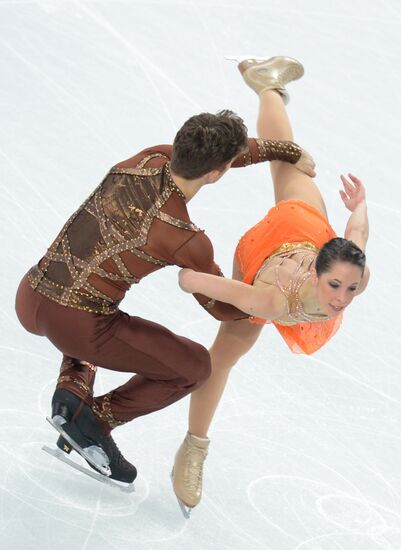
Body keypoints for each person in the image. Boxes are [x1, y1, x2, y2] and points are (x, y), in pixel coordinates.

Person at [15, 100, 315, 486]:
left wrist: (286, 150)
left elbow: (229, 154)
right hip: (76, 325)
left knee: (96, 311)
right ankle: (93, 420)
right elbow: (223, 309)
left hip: (32, 295)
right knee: (193, 367)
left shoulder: (150, 158)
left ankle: (70, 393)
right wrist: (275, 305)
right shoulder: (185, 238)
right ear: (215, 174)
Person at [171, 56, 370, 512]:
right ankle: (193, 447)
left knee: (287, 157)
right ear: (321, 272)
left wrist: (358, 205)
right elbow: (218, 288)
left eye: (349, 289)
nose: (341, 301)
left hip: (307, 229)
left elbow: (358, 233)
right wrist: (189, 275)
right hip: (266, 253)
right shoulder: (273, 300)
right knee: (222, 356)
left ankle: (266, 85)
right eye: (335, 287)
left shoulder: (352, 267)